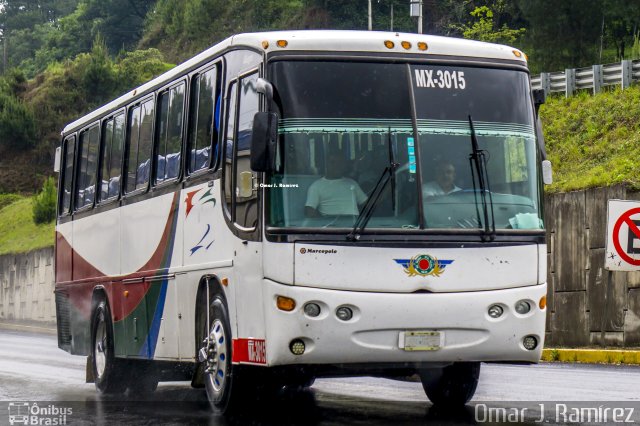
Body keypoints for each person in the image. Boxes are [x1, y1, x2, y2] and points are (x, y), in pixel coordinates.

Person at [305, 151, 368, 217]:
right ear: (326, 164)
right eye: (333, 162)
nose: (337, 166)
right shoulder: (316, 186)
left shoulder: (352, 183)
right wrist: (324, 223)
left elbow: (367, 204)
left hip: (354, 225)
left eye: (340, 163)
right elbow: (309, 211)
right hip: (332, 225)